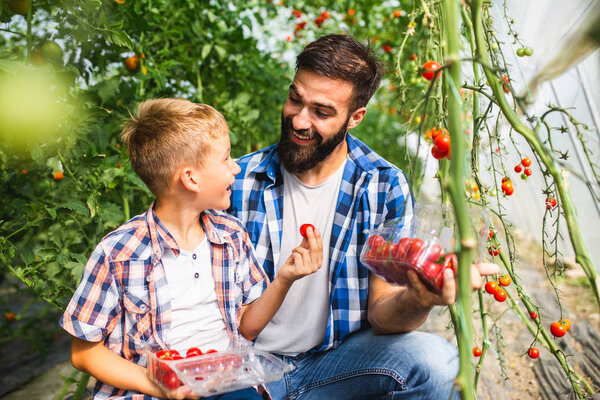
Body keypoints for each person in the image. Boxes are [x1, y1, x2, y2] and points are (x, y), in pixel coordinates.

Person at [228, 34, 500, 399]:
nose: (299, 120)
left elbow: (382, 314)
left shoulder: (382, 186)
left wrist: (420, 297)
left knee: (439, 364)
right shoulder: (238, 181)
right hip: (245, 366)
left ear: (355, 117)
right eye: (295, 99)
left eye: (322, 112)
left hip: (333, 364)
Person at [59, 99, 323, 400]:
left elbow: (246, 328)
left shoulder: (231, 235)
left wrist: (285, 279)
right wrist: (158, 385)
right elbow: (84, 353)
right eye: (226, 159)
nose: (236, 167)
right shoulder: (119, 253)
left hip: (226, 382)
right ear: (191, 178)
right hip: (148, 392)